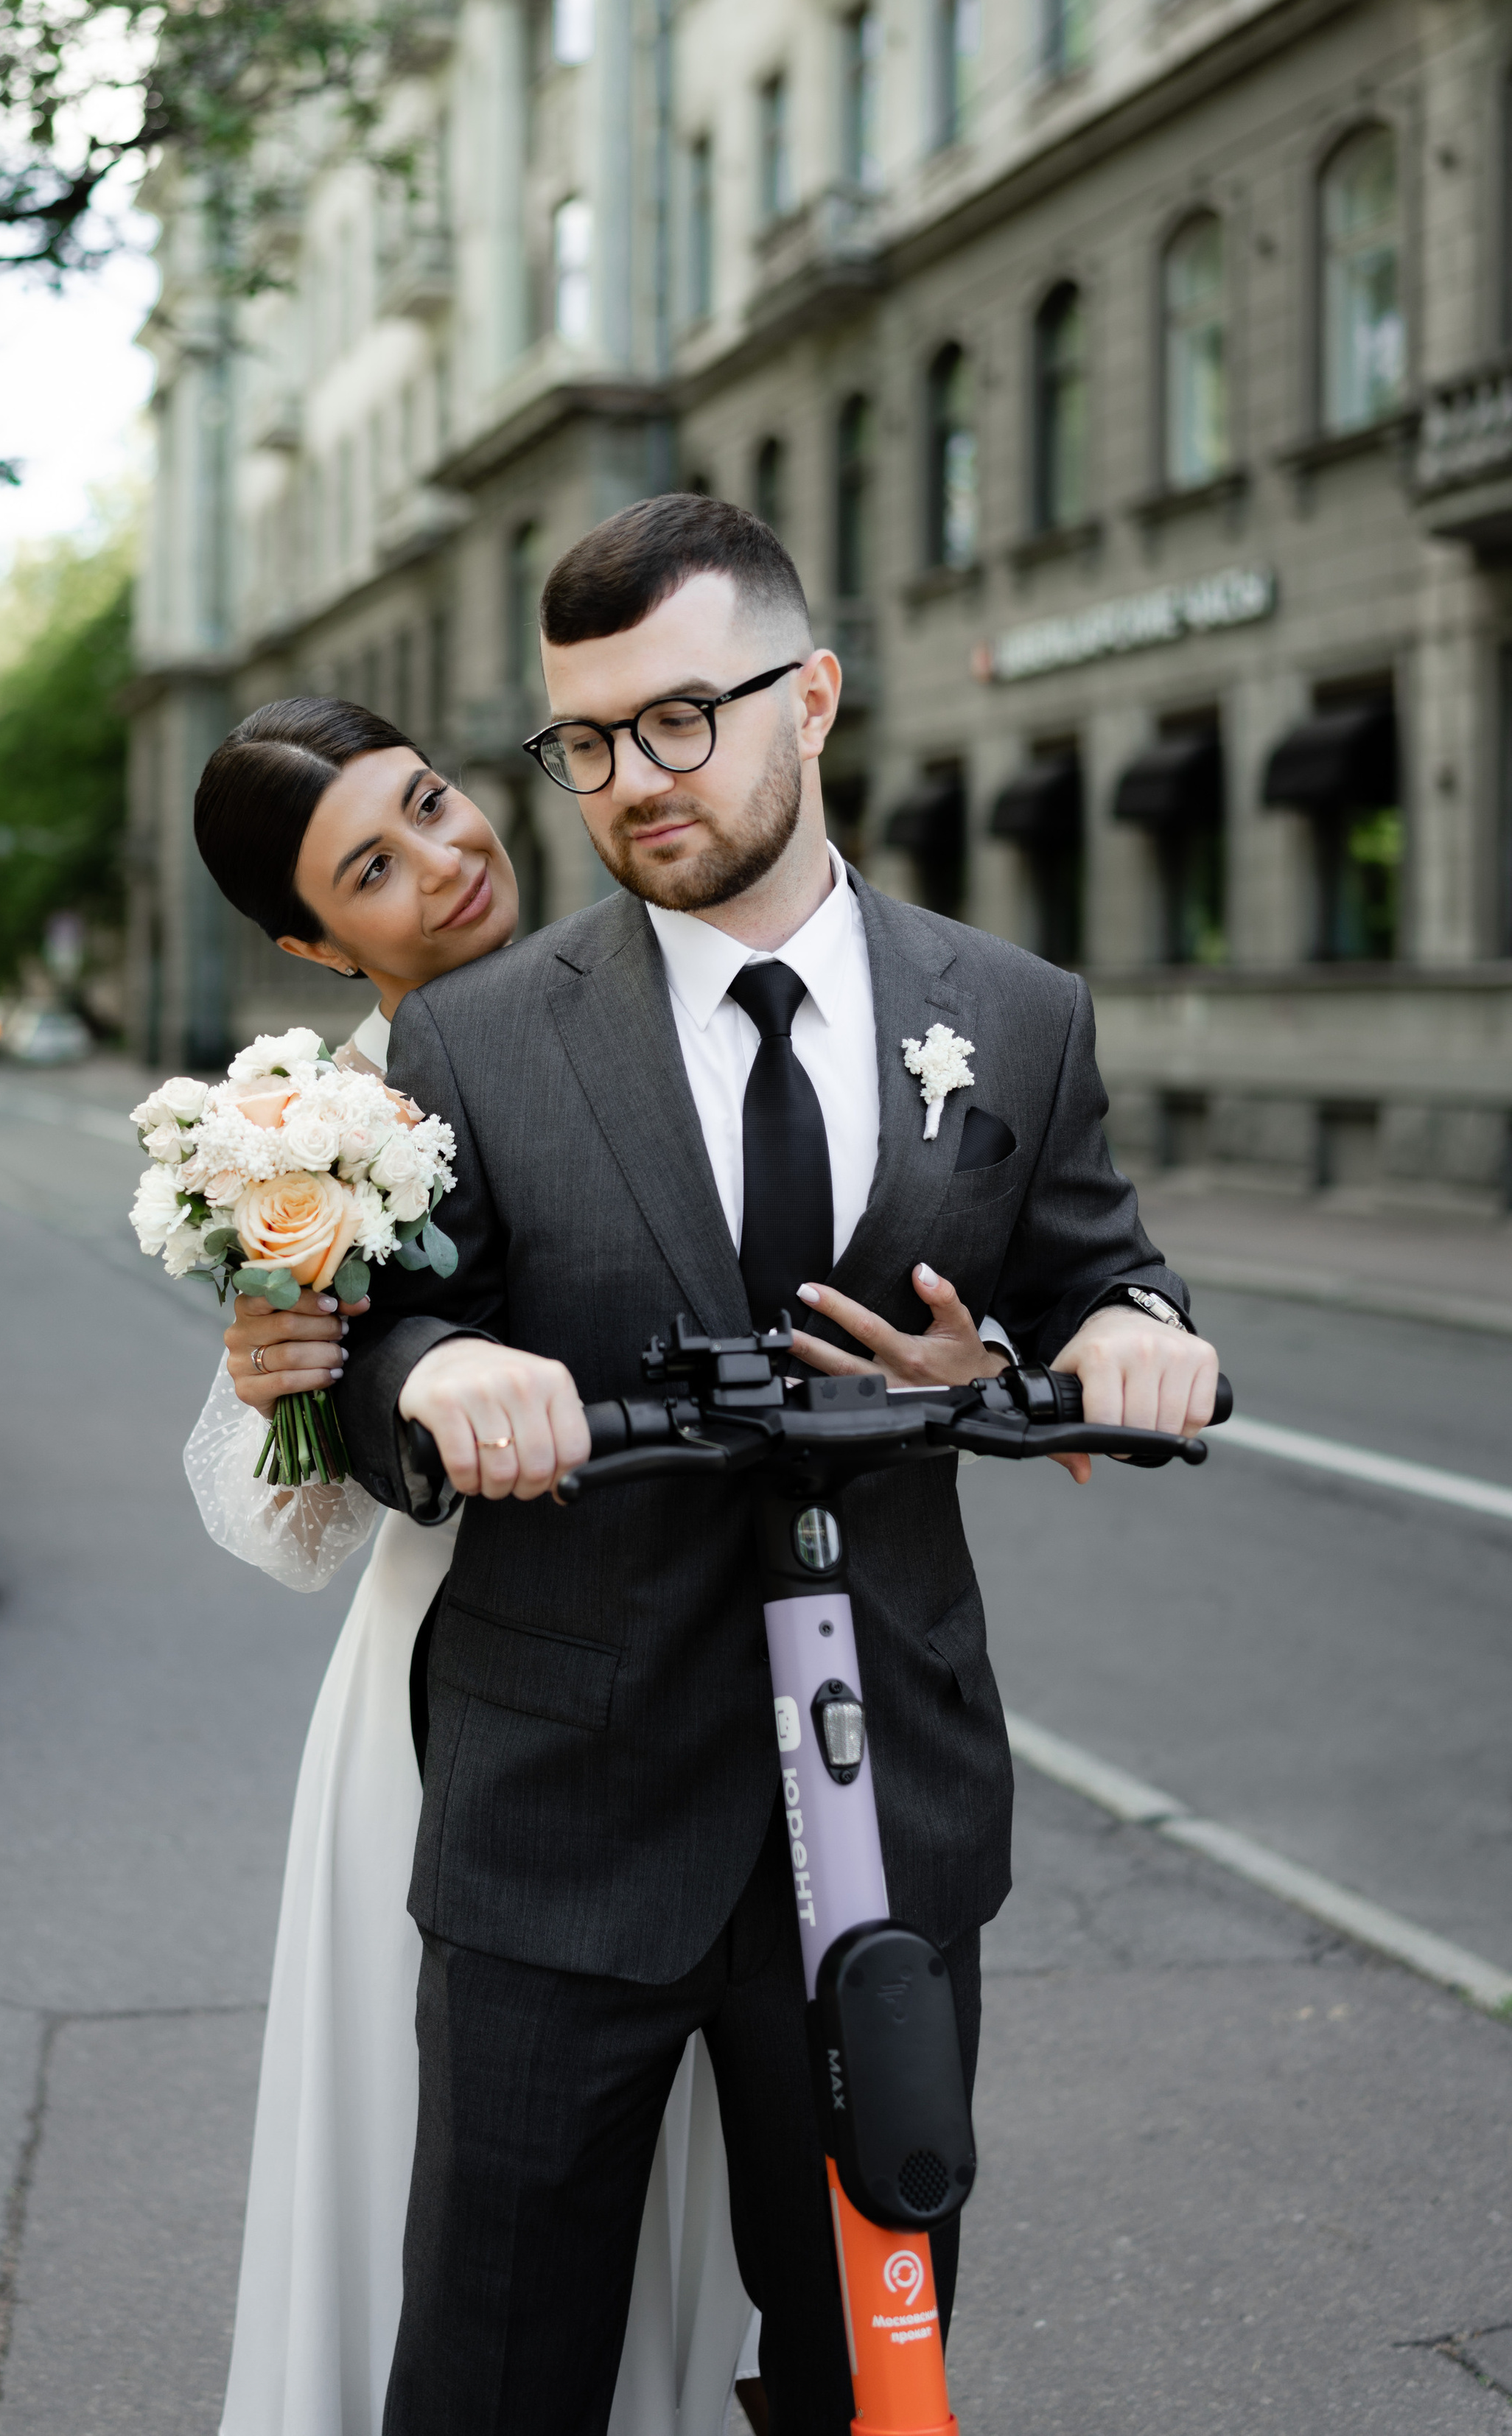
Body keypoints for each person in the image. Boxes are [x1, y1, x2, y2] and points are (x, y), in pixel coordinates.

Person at [335, 496, 1219, 2436]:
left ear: (809, 696)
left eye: (681, 719)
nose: (630, 781)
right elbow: (365, 1350)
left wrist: (1131, 1339)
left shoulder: (1016, 1016)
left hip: (882, 1804)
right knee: (491, 2373)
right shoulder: (471, 1048)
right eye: (582, 742)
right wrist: (443, 1366)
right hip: (564, 1807)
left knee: (869, 2373)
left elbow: (1099, 1273)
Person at [184, 696, 812, 2436]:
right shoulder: (323, 1136)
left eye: (434, 805)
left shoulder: (682, 996)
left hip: (722, 1679)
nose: (447, 861)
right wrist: (284, 1381)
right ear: (314, 943)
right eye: (371, 869)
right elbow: (286, 1520)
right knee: (476, 2175)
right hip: (470, 1713)